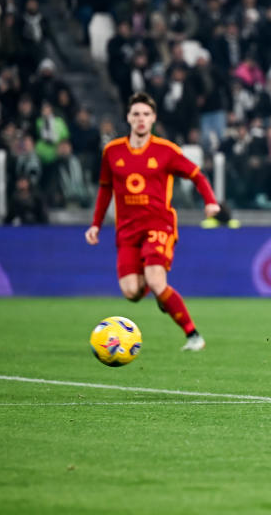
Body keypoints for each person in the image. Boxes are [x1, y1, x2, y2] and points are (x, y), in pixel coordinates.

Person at [85, 94, 220, 351]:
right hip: (126, 229)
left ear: (153, 118)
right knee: (131, 292)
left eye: (146, 114)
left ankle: (194, 335)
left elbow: (197, 176)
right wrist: (95, 224)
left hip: (159, 225)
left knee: (156, 280)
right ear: (128, 118)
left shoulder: (166, 151)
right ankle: (161, 295)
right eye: (136, 114)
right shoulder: (112, 152)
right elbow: (105, 189)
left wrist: (210, 201)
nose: (141, 119)